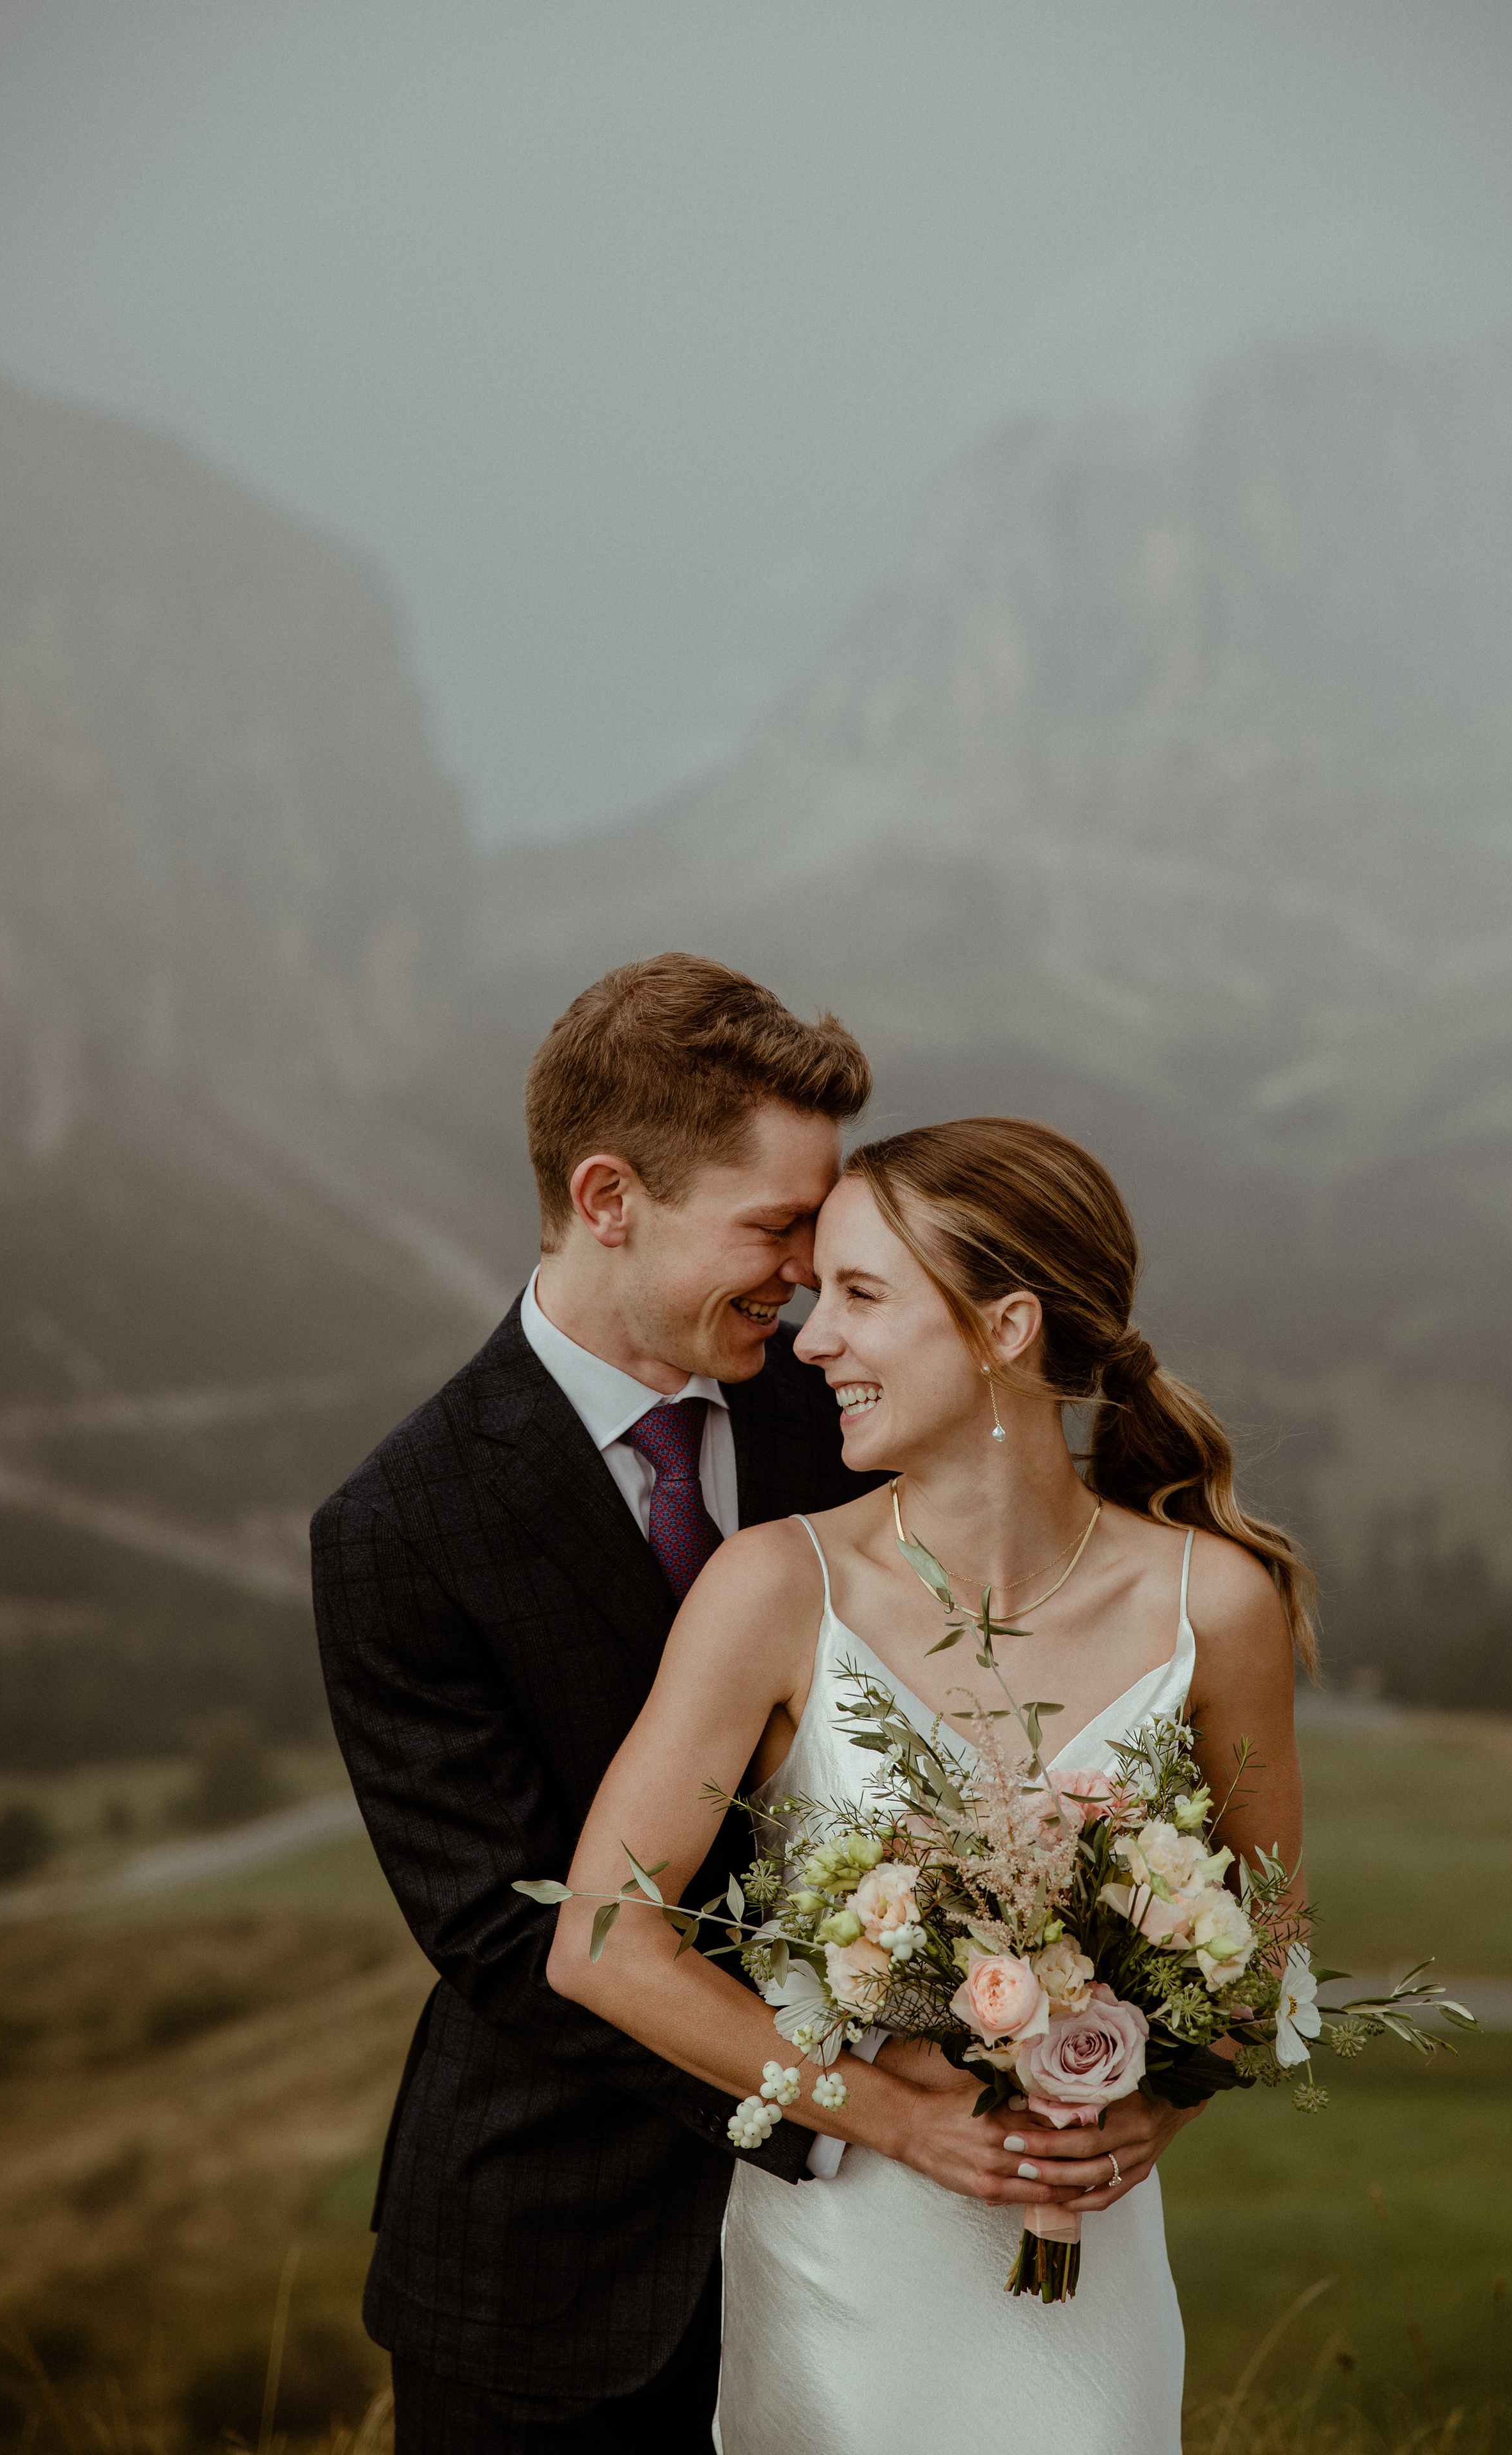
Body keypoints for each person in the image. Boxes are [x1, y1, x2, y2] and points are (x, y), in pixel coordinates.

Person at [554, 1115, 1317, 2454]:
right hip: (844, 2265)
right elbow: (603, 1941)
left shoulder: (1215, 1605)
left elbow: (1269, 1950)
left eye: (859, 1295)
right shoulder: (776, 1587)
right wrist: (896, 2121)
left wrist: (1143, 2111)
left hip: (1092, 2277)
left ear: (1002, 1328)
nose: (809, 1340)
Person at [312, 953, 887, 2453]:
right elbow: (505, 1937)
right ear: (609, 1194)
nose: (808, 1284)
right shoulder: (395, 1525)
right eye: (772, 1229)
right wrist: (838, 2106)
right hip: (548, 2268)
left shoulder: (849, 1416)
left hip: (877, 2273)